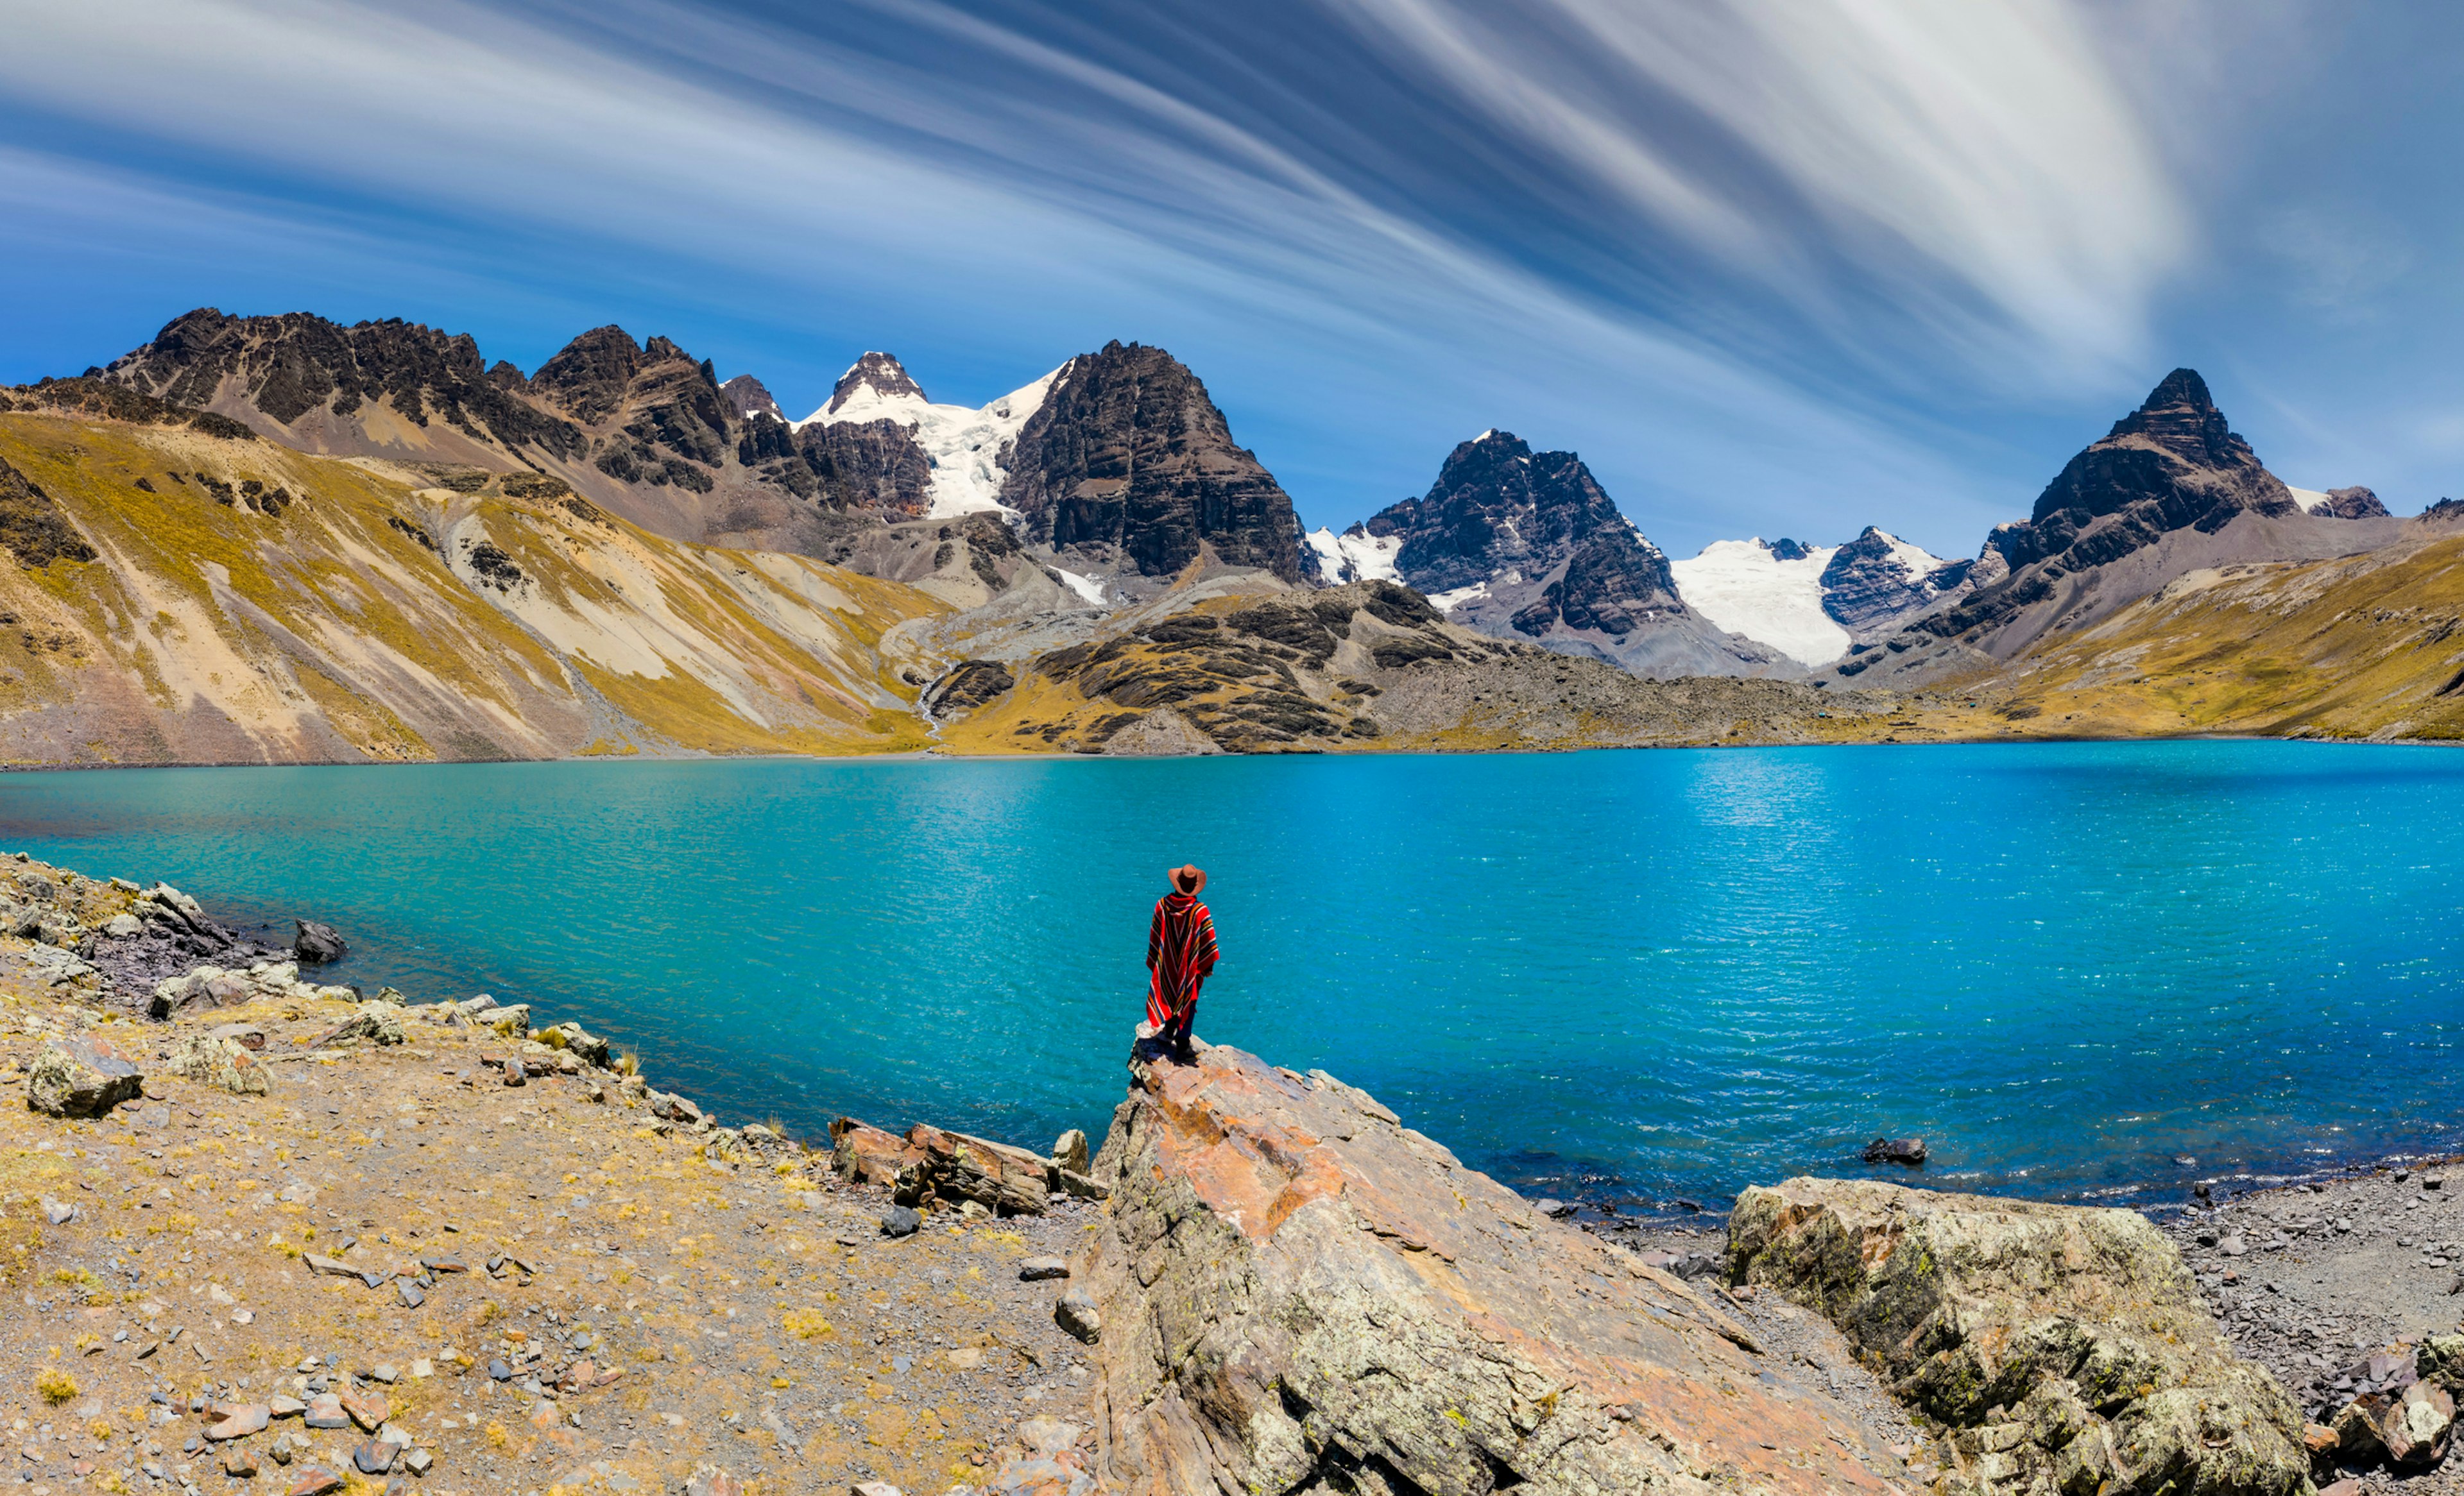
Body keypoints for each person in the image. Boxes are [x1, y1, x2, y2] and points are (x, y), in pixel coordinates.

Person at [1145, 864, 1219, 1062]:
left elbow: (1155, 935)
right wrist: (1207, 967)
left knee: (1170, 991)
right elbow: (1207, 942)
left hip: (1167, 964)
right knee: (1189, 999)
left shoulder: (1162, 905)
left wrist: (1157, 960)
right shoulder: (1200, 911)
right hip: (1190, 967)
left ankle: (1169, 1031)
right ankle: (1183, 1044)